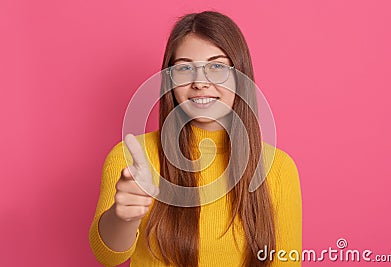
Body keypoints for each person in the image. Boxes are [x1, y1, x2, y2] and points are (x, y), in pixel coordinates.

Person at [89, 11, 302, 267]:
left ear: (240, 76)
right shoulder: (132, 158)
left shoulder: (278, 167)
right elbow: (109, 256)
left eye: (217, 66)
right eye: (184, 68)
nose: (200, 82)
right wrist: (123, 217)